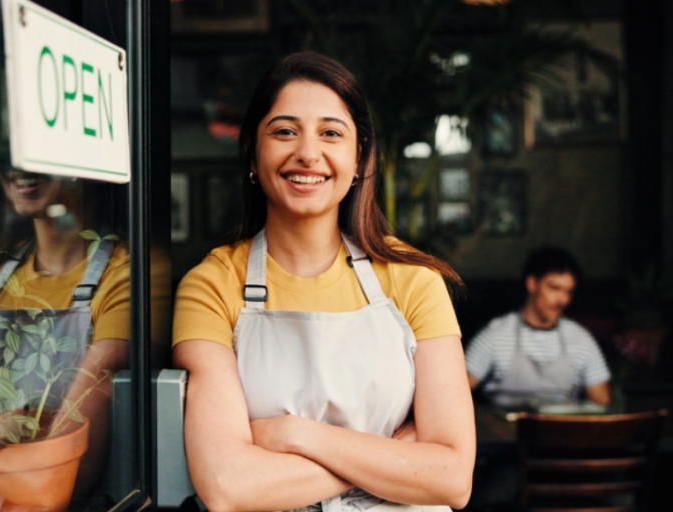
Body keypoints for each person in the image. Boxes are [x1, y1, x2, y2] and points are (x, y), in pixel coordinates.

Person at [172, 52, 475, 512]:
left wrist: (293, 435)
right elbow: (227, 486)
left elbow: (452, 479)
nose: (308, 153)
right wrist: (391, 457)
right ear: (254, 152)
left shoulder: (414, 279)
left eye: (331, 133)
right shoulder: (212, 284)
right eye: (284, 131)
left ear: (358, 158)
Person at [0, 170, 130, 508]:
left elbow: (60, 475)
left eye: (32, 148)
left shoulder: (128, 278)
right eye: (8, 151)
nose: (17, 167)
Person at [465, 246, 611, 409]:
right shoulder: (495, 335)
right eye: (554, 288)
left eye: (568, 291)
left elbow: (601, 402)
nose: (562, 299)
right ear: (532, 284)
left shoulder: (581, 339)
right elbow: (458, 390)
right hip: (505, 432)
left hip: (562, 431)